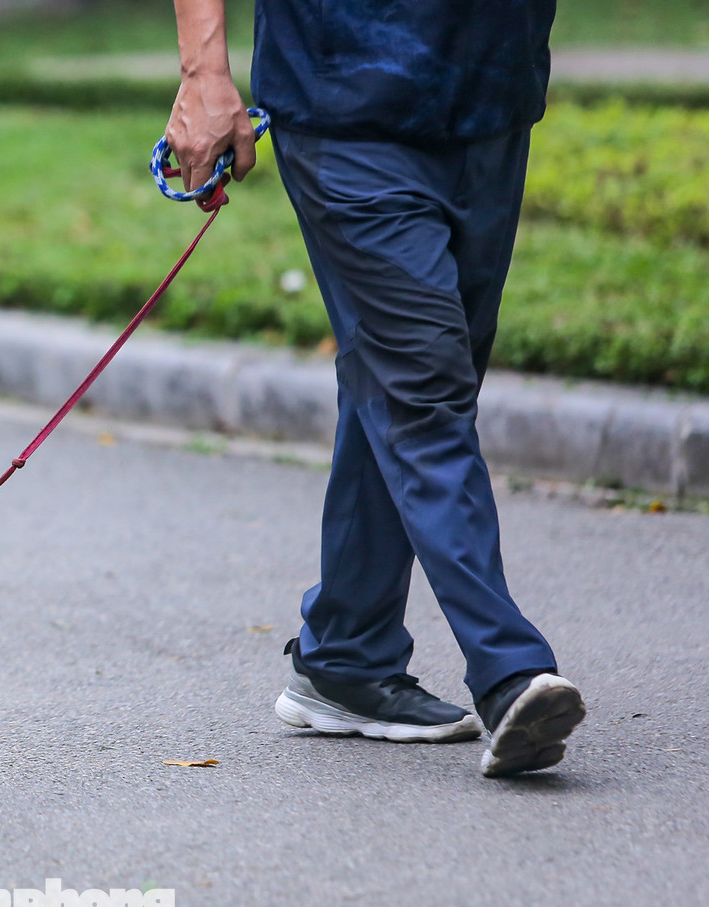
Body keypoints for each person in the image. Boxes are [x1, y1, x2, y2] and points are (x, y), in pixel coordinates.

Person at [165, 0, 586, 776]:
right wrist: (204, 71)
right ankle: (509, 669)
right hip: (345, 104)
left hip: (492, 94)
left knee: (407, 382)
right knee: (423, 387)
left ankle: (346, 657)